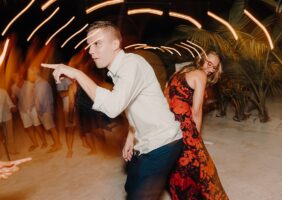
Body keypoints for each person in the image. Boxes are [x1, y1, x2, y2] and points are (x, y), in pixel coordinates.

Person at [42, 20, 183, 200]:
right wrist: (131, 136)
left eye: (97, 43)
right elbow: (131, 106)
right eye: (89, 45)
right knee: (130, 186)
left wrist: (78, 73)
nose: (91, 50)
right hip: (145, 142)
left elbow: (113, 107)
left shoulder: (131, 65)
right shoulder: (119, 70)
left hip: (163, 143)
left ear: (116, 44)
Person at [164, 50, 228, 200]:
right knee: (205, 172)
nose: (209, 68)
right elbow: (196, 111)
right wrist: (196, 137)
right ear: (202, 59)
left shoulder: (183, 70)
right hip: (185, 127)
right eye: (208, 62)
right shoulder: (200, 75)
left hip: (170, 126)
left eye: (214, 67)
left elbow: (166, 93)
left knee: (179, 169)